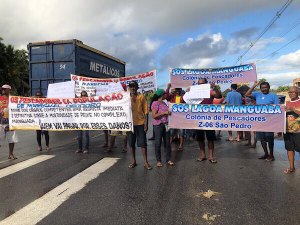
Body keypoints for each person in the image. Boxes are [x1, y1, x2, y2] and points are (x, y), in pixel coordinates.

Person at [245, 81, 279, 161]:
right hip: (259, 121)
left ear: (269, 87)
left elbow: (277, 108)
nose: (264, 89)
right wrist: (254, 85)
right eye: (262, 88)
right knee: (262, 139)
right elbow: (246, 95)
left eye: (265, 87)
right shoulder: (257, 94)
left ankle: (271, 155)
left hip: (269, 121)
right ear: (260, 89)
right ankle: (266, 154)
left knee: (270, 139)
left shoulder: (273, 96)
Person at [127, 81, 152, 170]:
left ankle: (146, 162)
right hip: (130, 125)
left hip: (140, 124)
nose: (133, 88)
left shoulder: (141, 97)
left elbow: (146, 112)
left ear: (137, 87)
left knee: (143, 144)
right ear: (129, 88)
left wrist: (146, 124)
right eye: (131, 86)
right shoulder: (126, 98)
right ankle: (134, 161)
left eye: (134, 86)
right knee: (131, 144)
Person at [195, 78, 217, 163]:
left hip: (209, 119)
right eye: (199, 84)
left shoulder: (210, 91)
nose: (201, 85)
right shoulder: (194, 93)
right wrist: (188, 91)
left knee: (210, 138)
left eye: (203, 83)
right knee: (200, 138)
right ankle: (203, 155)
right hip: (198, 119)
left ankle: (211, 156)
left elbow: (218, 95)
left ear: (206, 84)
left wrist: (214, 88)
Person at [151, 89, 174, 167]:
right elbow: (154, 115)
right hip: (158, 126)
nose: (166, 95)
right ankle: (159, 161)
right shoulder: (155, 103)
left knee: (167, 143)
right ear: (162, 95)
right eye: (165, 94)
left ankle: (168, 159)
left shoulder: (164, 103)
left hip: (166, 125)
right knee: (158, 143)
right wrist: (164, 113)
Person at [283, 86, 300, 174]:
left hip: (298, 131)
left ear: (298, 93)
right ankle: (291, 167)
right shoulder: (286, 102)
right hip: (287, 131)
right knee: (289, 149)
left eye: (293, 92)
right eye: (289, 92)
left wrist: (292, 109)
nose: (291, 93)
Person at [165, 83, 185, 151]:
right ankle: (169, 144)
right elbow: (166, 96)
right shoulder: (171, 96)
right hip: (173, 118)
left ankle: (181, 145)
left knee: (182, 132)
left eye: (179, 89)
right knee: (172, 132)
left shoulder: (183, 97)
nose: (177, 91)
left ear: (181, 90)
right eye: (176, 89)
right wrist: (168, 87)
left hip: (181, 118)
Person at [1, 84, 18, 159]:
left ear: (9, 90)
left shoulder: (13, 99)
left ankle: (11, 154)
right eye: (2, 89)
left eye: (5, 89)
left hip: (11, 122)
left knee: (11, 139)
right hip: (1, 122)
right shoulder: (0, 98)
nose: (3, 90)